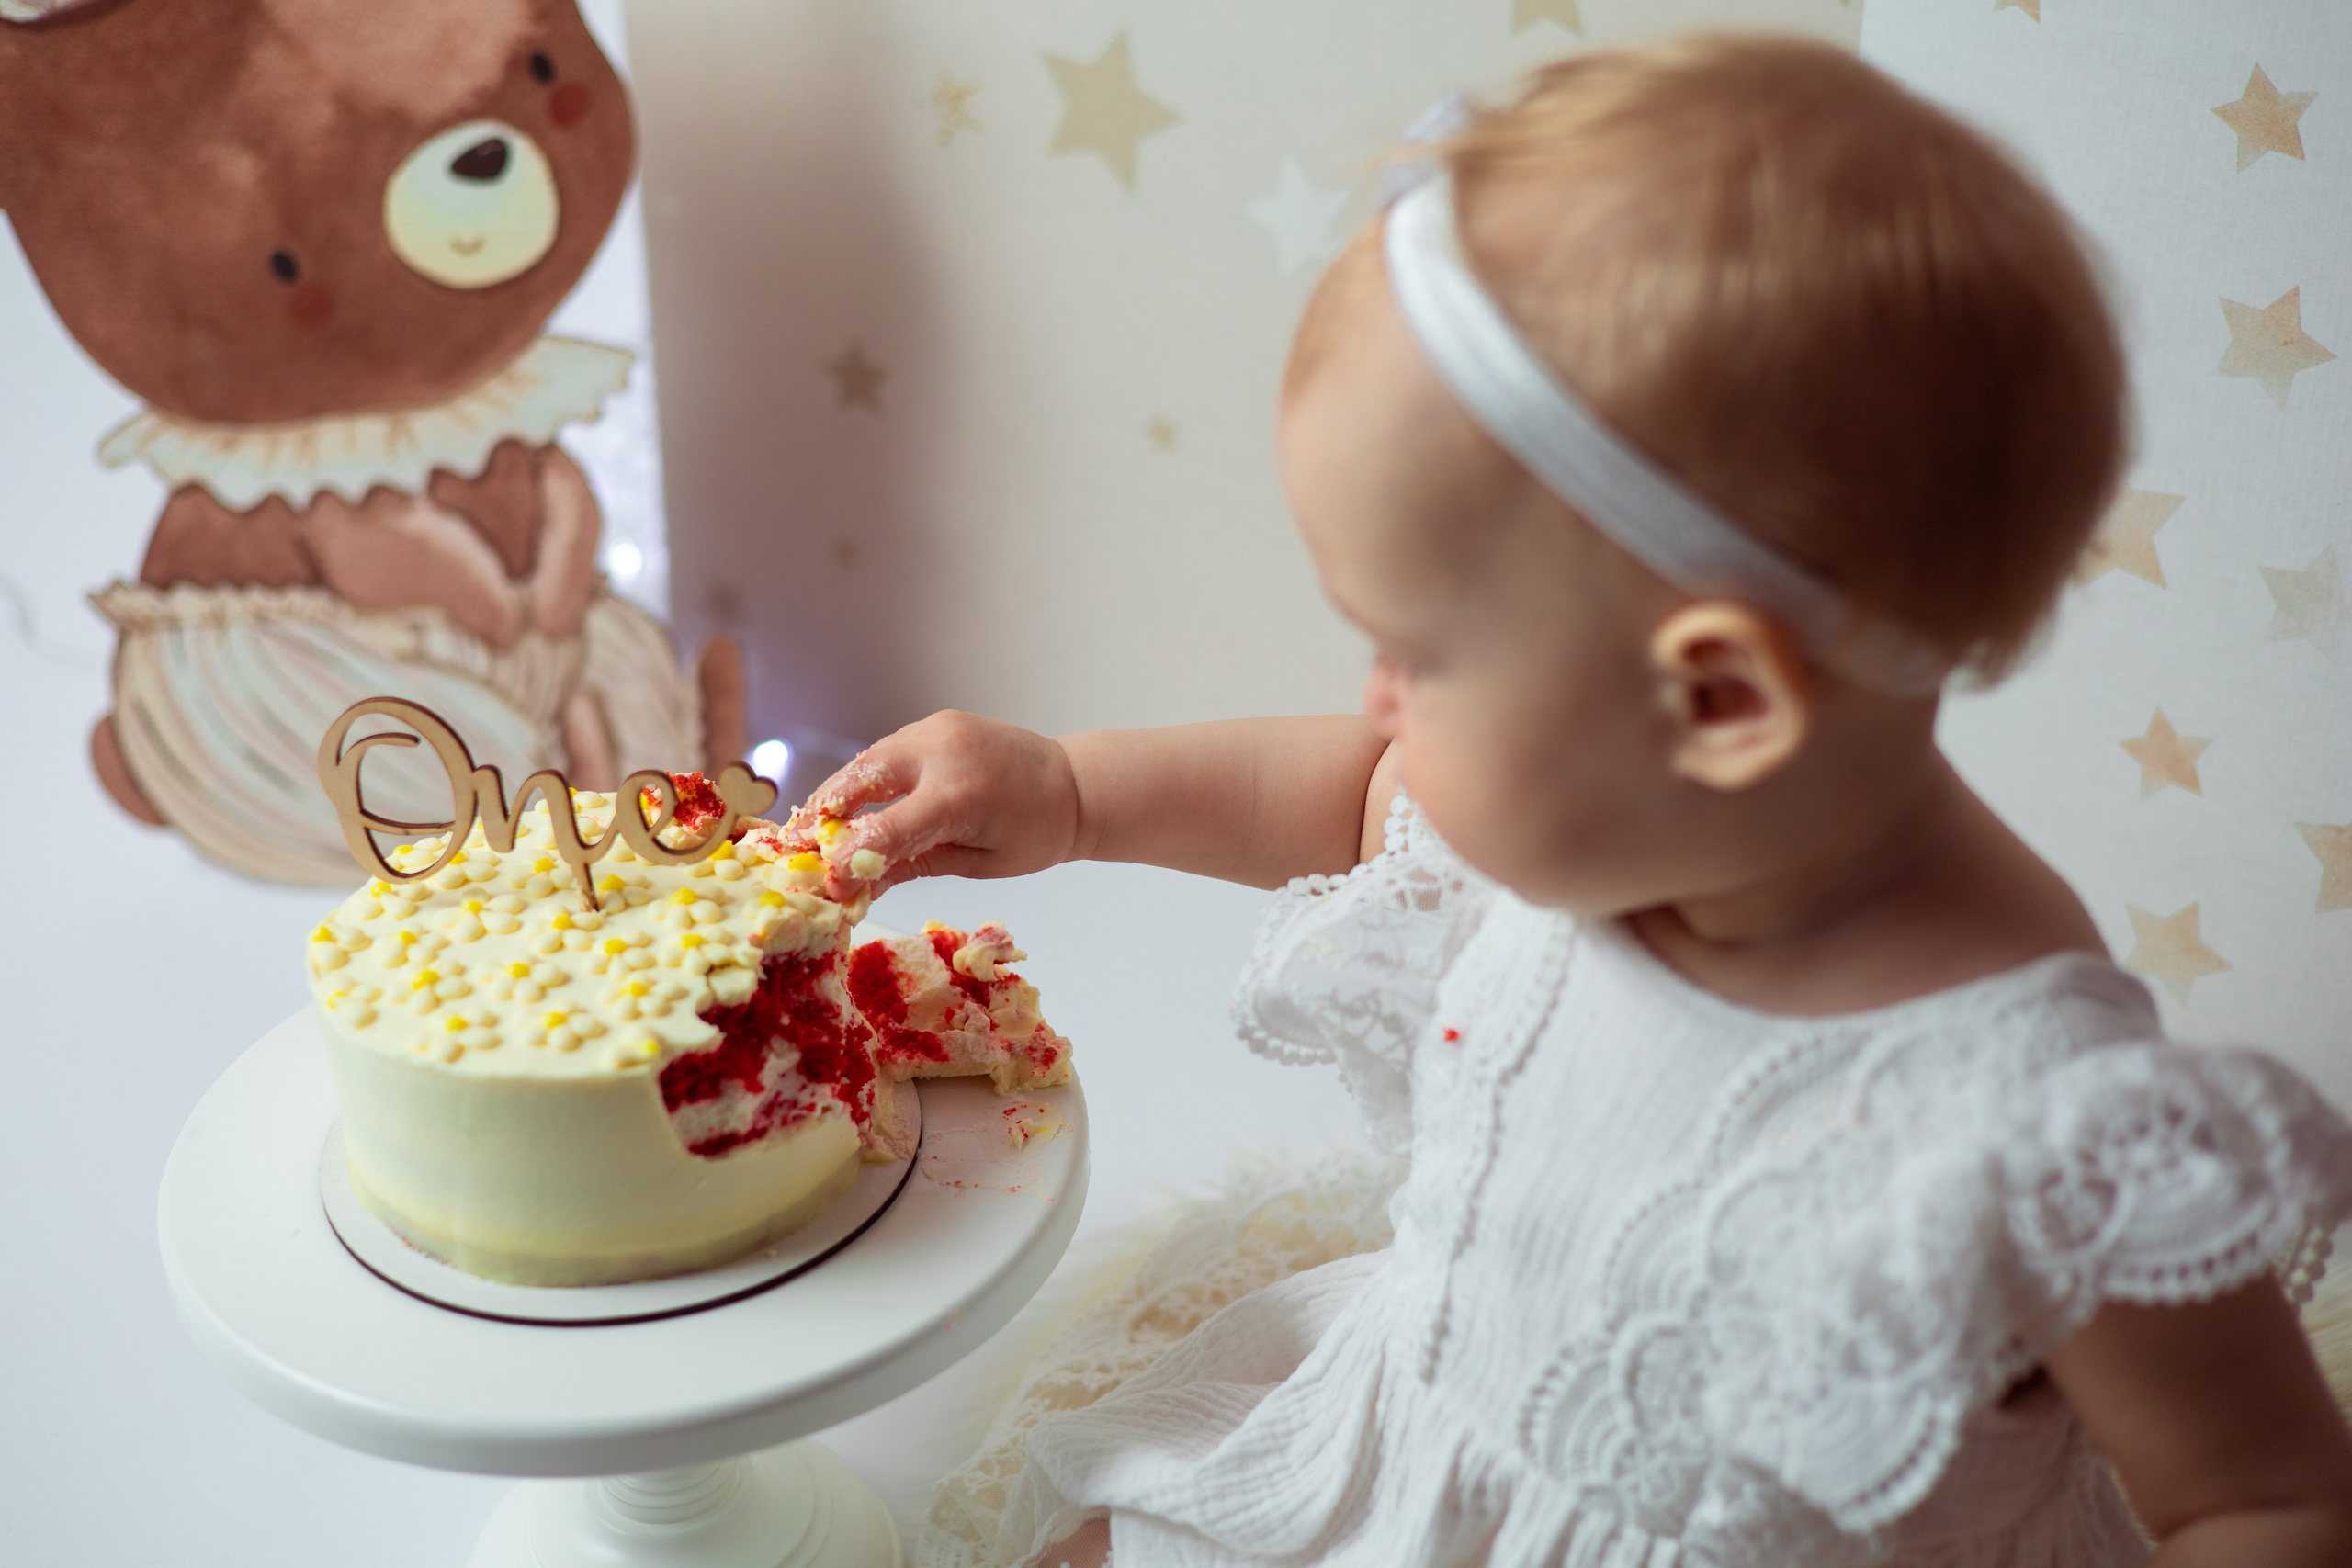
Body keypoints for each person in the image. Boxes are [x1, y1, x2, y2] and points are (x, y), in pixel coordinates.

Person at [815, 36, 2352, 1567]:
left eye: (1413, 655)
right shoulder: (1612, 814)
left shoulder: (2051, 1129)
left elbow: (2262, 1497)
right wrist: (1073, 790)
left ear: (1720, 702)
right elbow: (1353, 794)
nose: (1376, 703)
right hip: (1433, 1444)